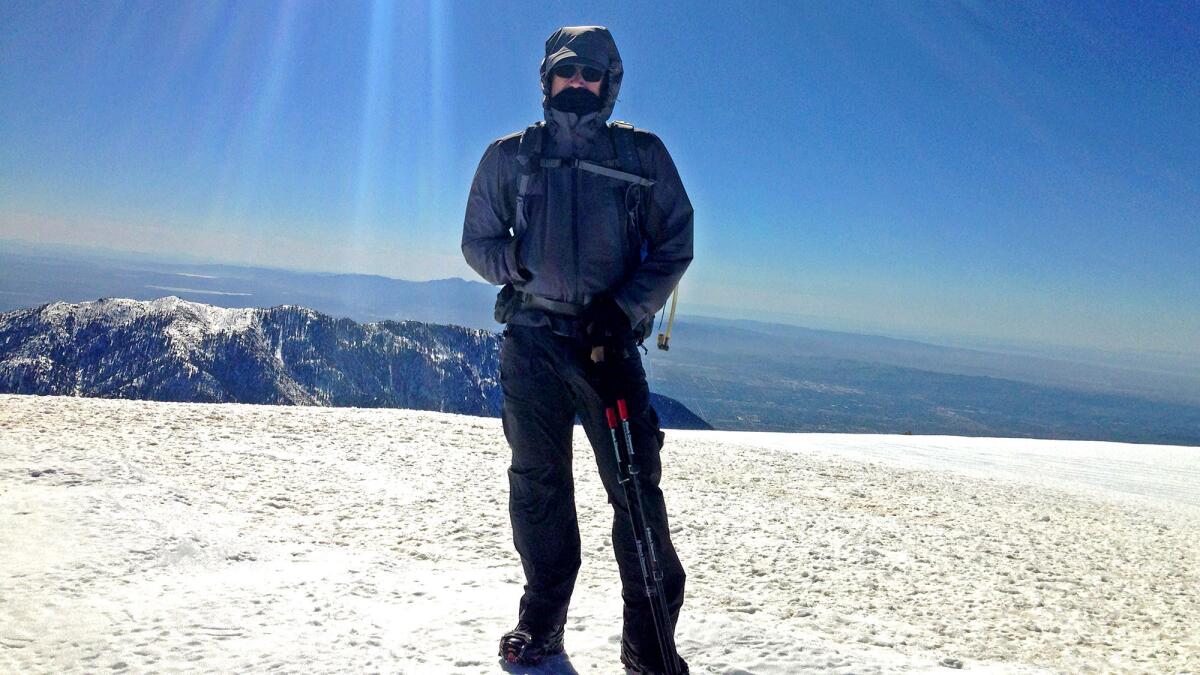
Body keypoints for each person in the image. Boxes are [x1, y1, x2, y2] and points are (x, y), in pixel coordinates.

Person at [461, 25, 693, 675]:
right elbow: (477, 240)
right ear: (548, 78)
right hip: (532, 342)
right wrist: (519, 265)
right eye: (568, 72)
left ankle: (647, 641)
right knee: (537, 485)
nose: (580, 84)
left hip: (607, 348)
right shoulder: (511, 156)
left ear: (610, 82)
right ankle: (542, 621)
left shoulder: (641, 156)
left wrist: (621, 311)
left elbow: (676, 241)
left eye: (593, 74)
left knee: (635, 491)